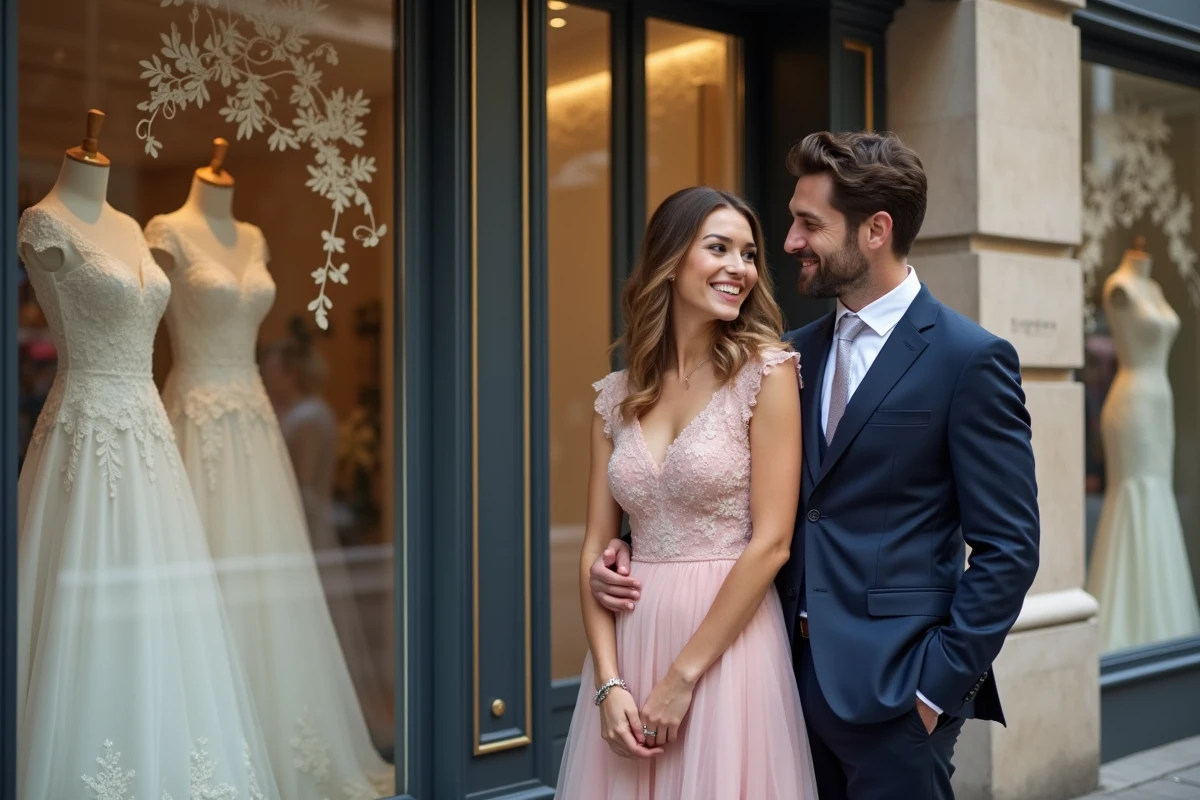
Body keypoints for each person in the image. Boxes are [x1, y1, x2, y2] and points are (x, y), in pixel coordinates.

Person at [589, 131, 1040, 800]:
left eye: (808, 223)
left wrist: (934, 691)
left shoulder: (968, 358)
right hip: (776, 682)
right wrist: (621, 550)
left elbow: (1009, 549)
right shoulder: (787, 358)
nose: (790, 241)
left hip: (897, 695)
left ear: (875, 231)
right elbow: (720, 489)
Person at [555, 186, 818, 799]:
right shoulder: (617, 396)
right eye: (719, 248)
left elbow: (773, 542)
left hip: (726, 647)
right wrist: (608, 685)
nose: (740, 268)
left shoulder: (768, 373)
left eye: (749, 254)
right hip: (631, 640)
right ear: (671, 262)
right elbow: (595, 547)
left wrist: (682, 677)